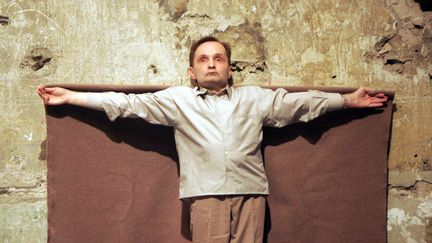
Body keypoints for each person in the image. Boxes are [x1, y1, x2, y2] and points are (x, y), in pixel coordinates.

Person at [37, 36, 388, 243]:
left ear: (229, 68)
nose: (211, 64)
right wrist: (71, 98)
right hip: (204, 196)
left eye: (218, 58)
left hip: (251, 194)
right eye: (203, 60)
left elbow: (302, 104)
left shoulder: (255, 99)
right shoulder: (178, 100)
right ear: (192, 71)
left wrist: (347, 100)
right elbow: (125, 104)